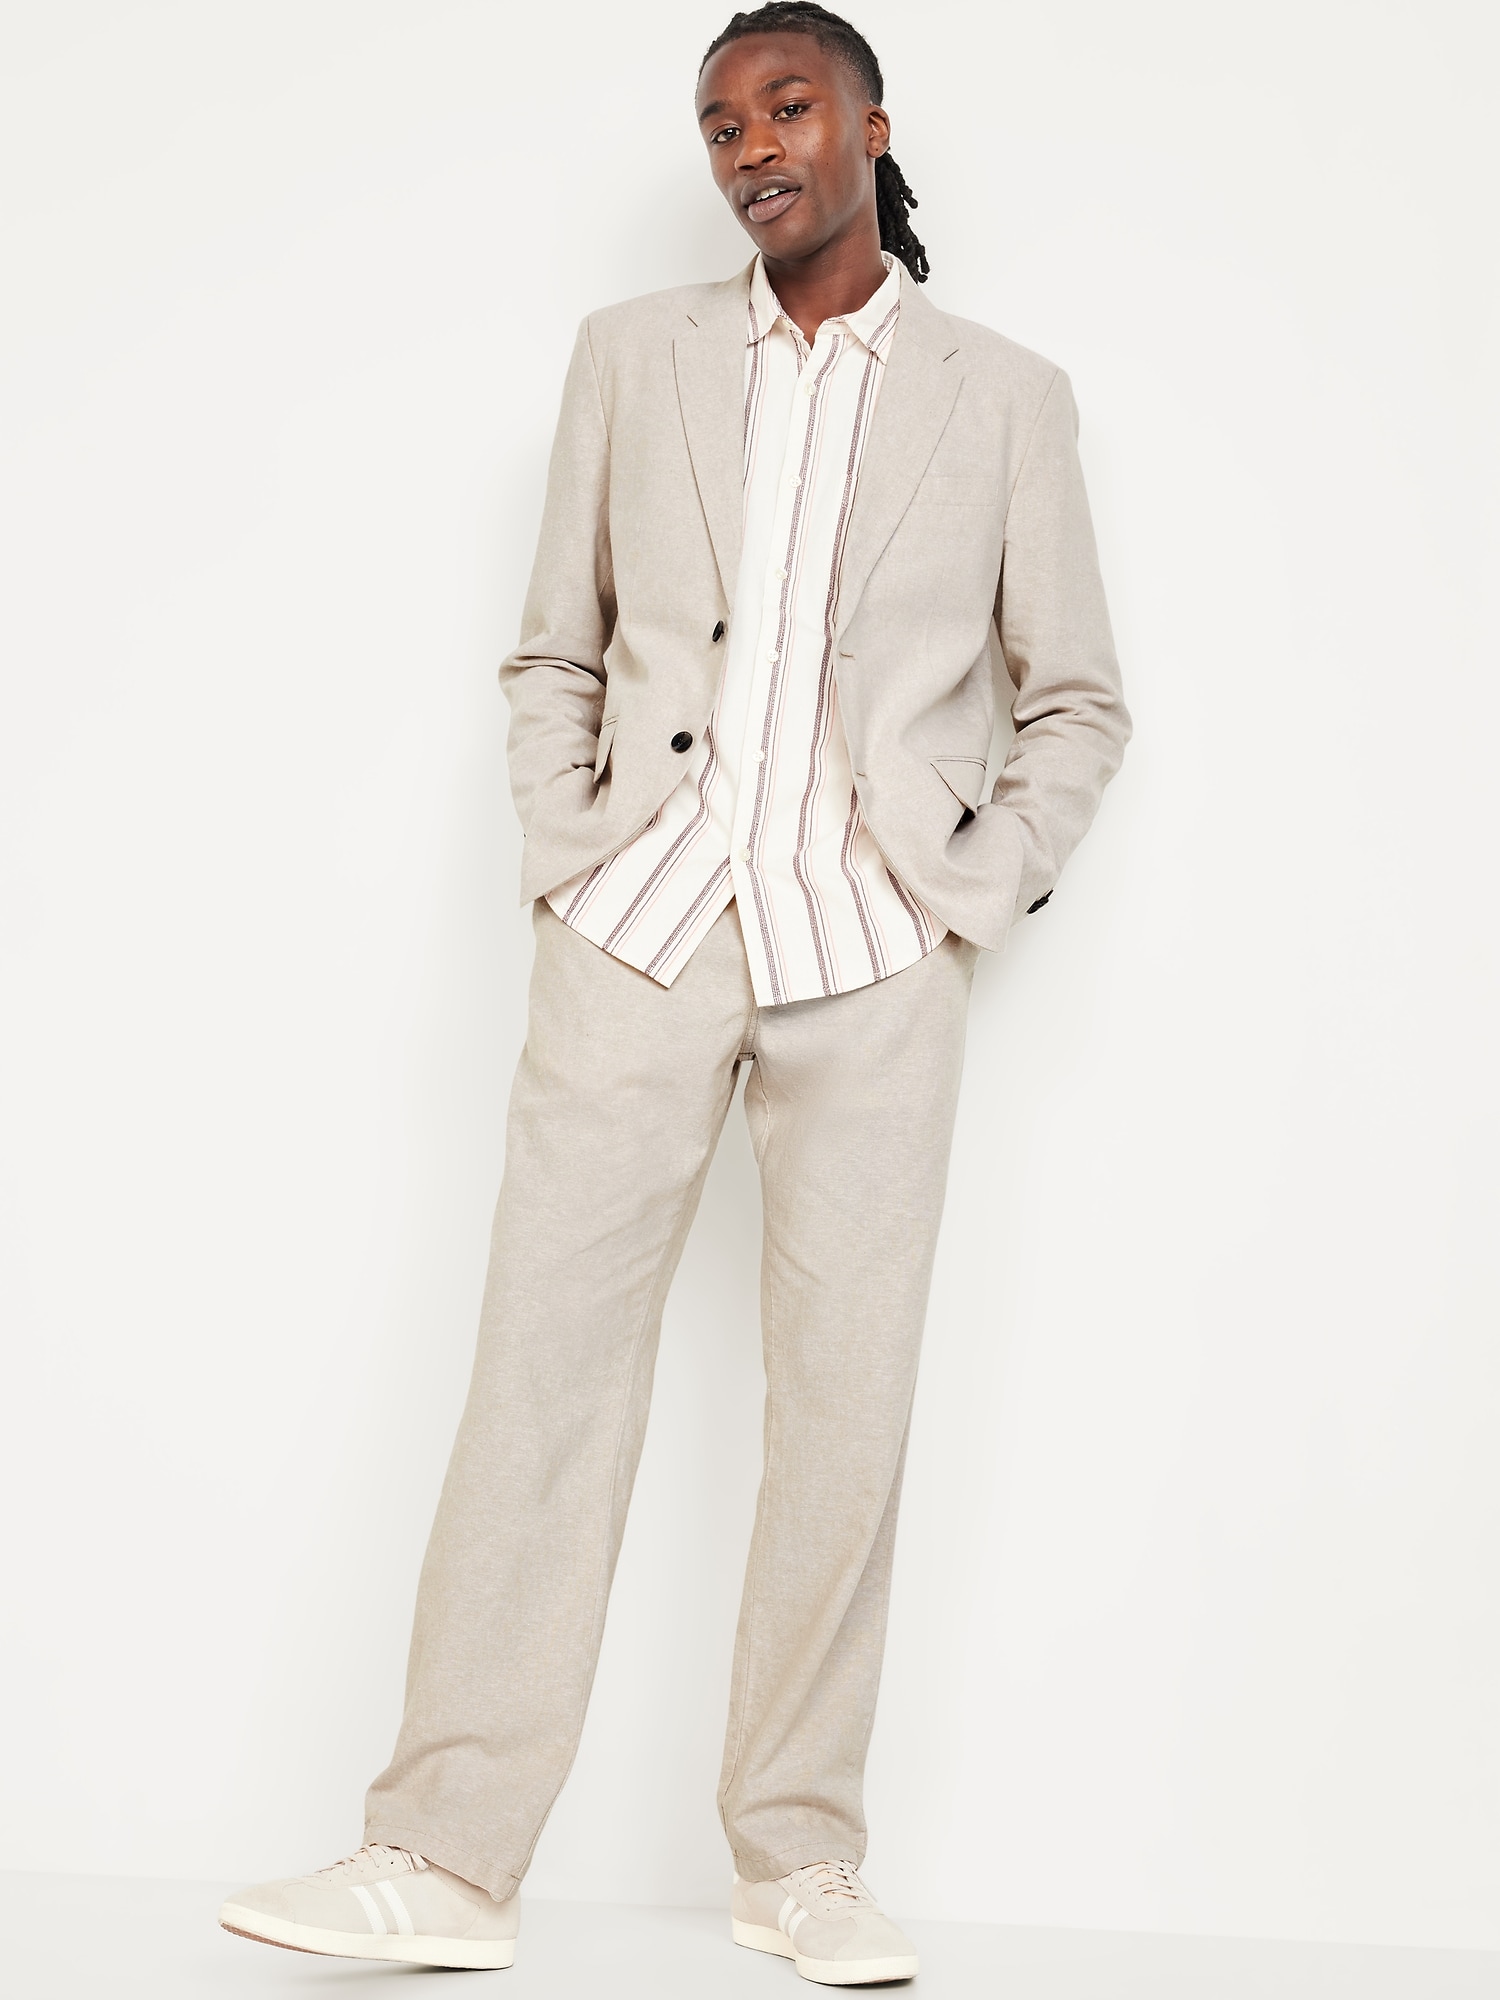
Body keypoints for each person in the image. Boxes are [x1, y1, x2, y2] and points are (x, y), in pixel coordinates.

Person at [218, 2, 1130, 1982]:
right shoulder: (629, 358)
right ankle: (444, 1855)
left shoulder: (1005, 397)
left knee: (846, 1413)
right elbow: (557, 646)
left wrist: (966, 892)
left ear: (872, 126)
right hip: (634, 932)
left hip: (869, 956)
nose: (751, 147)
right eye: (721, 124)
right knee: (539, 1381)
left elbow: (1077, 697)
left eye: (788, 107)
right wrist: (570, 851)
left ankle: (799, 1861)